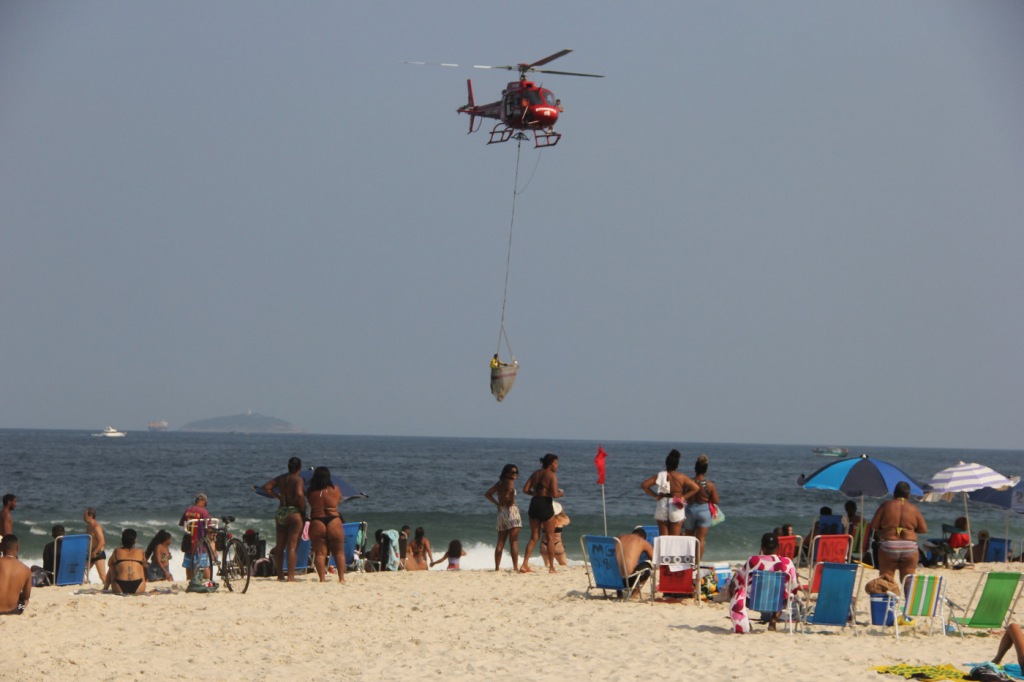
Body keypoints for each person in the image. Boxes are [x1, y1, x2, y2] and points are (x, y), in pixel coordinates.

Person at [728, 532, 801, 633]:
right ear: (778, 547)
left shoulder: (752, 561)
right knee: (783, 592)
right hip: (778, 603)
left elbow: (740, 582)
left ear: (762, 547)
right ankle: (773, 621)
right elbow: (794, 587)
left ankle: (747, 623)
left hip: (753, 601)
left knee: (734, 585)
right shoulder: (787, 563)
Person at [870, 481, 927, 587]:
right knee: (908, 581)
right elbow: (923, 529)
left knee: (886, 580)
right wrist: (909, 529)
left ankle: (888, 603)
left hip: (889, 545)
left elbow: (874, 525)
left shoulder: (885, 505)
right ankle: (909, 603)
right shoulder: (914, 508)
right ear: (908, 495)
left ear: (894, 493)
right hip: (909, 547)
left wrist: (886, 528)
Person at [262, 457, 306, 582]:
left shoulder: (281, 478)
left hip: (282, 511)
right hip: (294, 512)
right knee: (292, 547)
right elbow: (299, 494)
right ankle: (291, 577)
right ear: (299, 468)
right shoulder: (298, 479)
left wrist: (279, 497)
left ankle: (280, 575)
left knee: (280, 546)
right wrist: (303, 507)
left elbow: (266, 487)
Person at [520, 454, 564, 574]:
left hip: (534, 503)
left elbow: (525, 490)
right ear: (550, 464)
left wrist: (535, 494)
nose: (557, 466)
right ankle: (551, 568)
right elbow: (555, 494)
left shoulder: (535, 474)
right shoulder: (552, 476)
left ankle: (524, 564)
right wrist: (561, 493)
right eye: (556, 463)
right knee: (550, 537)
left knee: (534, 537)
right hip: (545, 504)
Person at [641, 449, 700, 537]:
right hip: (675, 504)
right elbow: (696, 488)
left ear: (666, 464)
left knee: (663, 538)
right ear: (677, 465)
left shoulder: (660, 475)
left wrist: (655, 496)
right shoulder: (681, 477)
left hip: (662, 504)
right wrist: (683, 497)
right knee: (674, 538)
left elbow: (644, 485)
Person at [306, 466, 345, 583]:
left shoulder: (310, 491)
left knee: (320, 553)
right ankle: (341, 578)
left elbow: (310, 502)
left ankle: (322, 579)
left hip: (317, 520)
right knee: (338, 551)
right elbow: (338, 499)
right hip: (334, 519)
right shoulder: (336, 489)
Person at [683, 455, 719, 564]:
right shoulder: (710, 485)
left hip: (690, 510)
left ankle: (688, 562)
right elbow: (716, 500)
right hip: (704, 511)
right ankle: (697, 564)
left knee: (689, 538)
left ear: (695, 469)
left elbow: (684, 496)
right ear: (706, 470)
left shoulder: (688, 482)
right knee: (701, 540)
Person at [485, 463, 521, 571]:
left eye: (516, 472)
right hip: (512, 511)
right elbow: (510, 490)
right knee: (513, 542)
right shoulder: (510, 482)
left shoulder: (499, 484)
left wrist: (498, 503)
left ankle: (497, 568)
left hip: (502, 512)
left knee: (500, 542)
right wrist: (511, 500)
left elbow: (487, 494)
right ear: (507, 473)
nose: (515, 474)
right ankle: (515, 568)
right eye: (513, 472)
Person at [103, 529, 147, 594]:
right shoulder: (141, 552)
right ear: (135, 541)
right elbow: (145, 565)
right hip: (139, 586)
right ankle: (143, 583)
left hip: (119, 586)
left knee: (112, 566)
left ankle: (105, 588)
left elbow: (109, 564)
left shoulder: (117, 551)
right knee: (140, 565)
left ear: (122, 540)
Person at [179, 494, 211, 581]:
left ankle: (190, 582)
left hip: (189, 544)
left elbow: (181, 523)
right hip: (200, 545)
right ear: (205, 502)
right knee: (205, 566)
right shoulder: (204, 512)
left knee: (189, 567)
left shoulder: (188, 510)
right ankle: (209, 582)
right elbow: (209, 527)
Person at [614, 528, 654, 600]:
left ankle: (619, 593)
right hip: (627, 580)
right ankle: (635, 593)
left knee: (619, 564)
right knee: (648, 566)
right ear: (643, 537)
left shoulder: (619, 538)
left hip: (611, 579)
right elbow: (654, 560)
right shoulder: (642, 541)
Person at [0, 535, 31, 615]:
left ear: (0, 547)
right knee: (25, 600)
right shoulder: (26, 569)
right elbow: (26, 596)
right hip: (12, 611)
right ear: (17, 548)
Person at [84, 508, 106, 583]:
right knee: (82, 571)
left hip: (98, 553)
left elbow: (102, 541)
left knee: (102, 575)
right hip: (90, 553)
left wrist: (95, 552)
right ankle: (85, 584)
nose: (84, 517)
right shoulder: (88, 527)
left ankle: (109, 587)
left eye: (85, 515)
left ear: (91, 515)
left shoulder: (96, 527)